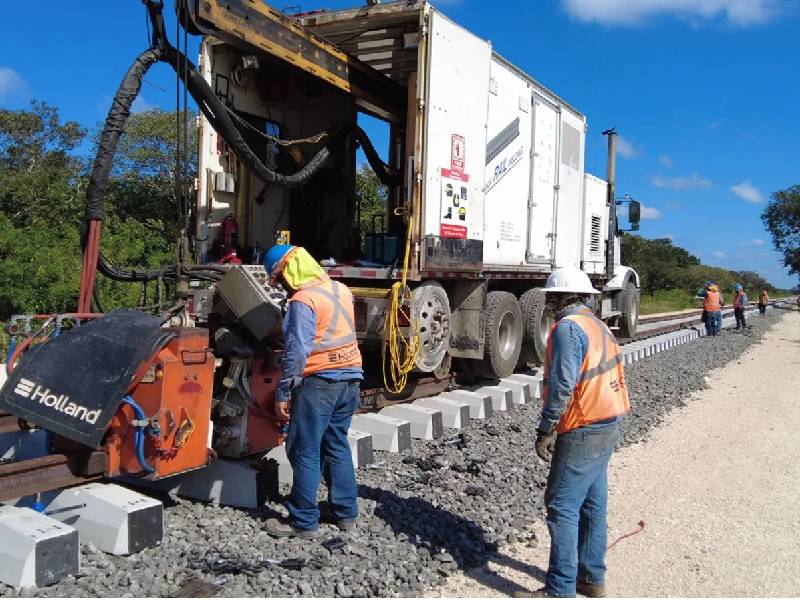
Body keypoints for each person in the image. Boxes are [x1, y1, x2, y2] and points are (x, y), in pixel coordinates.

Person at [532, 267, 630, 598]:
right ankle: (590, 578)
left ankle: (560, 590)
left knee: (561, 505)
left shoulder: (568, 328)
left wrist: (546, 427)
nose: (548, 301)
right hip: (609, 418)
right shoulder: (597, 324)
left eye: (550, 296)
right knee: (592, 502)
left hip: (584, 424)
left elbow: (562, 384)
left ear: (560, 296)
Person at [262, 244, 363, 539]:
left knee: (304, 448)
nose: (281, 284)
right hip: (351, 378)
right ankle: (345, 513)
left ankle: (304, 521)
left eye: (279, 277)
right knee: (336, 444)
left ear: (289, 271)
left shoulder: (302, 301)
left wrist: (283, 393)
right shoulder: (340, 288)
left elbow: (296, 354)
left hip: (320, 381)